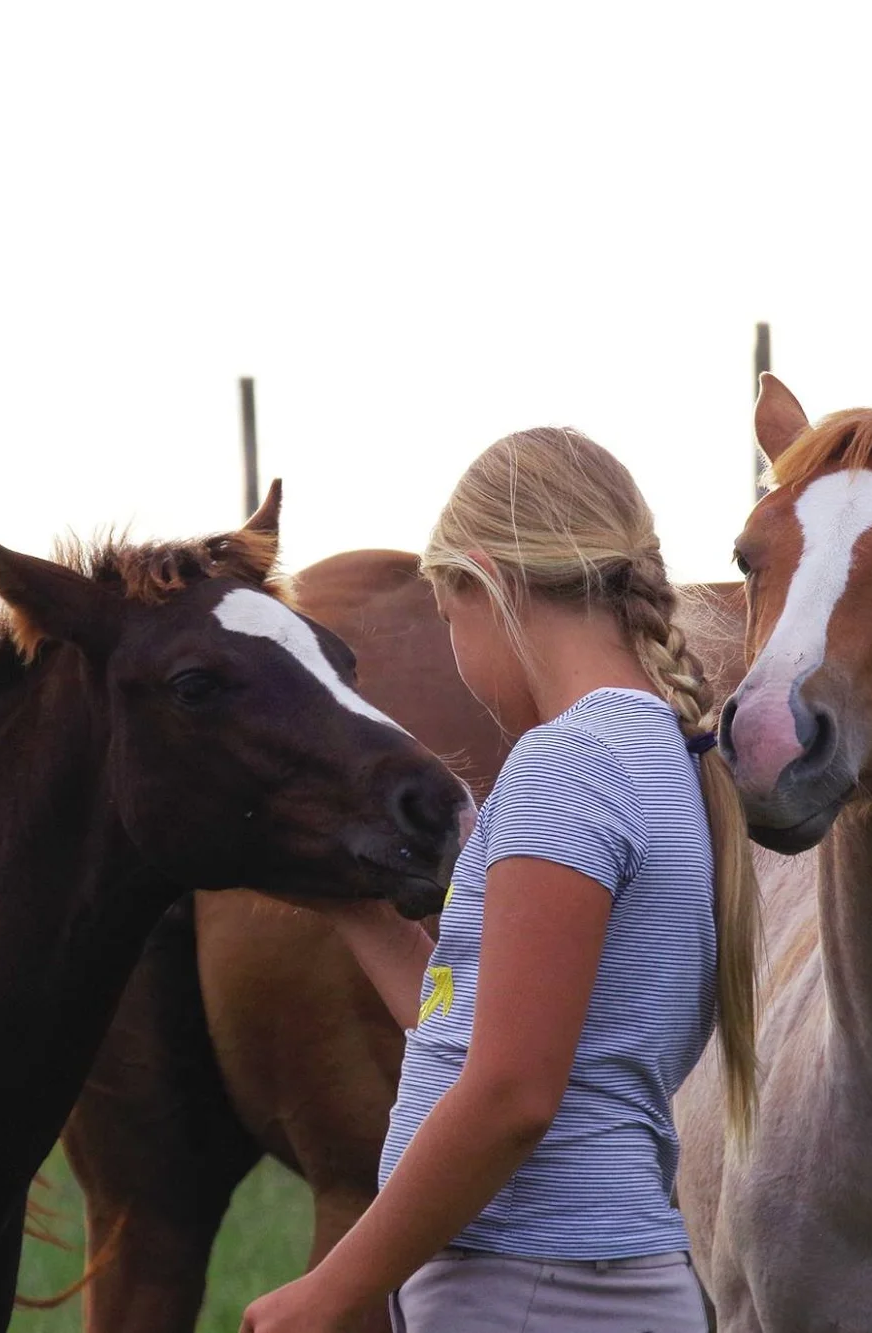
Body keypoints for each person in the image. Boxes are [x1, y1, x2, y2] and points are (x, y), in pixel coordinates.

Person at [240, 427, 759, 1332]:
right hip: (574, 1282)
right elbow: (488, 1033)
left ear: (482, 582)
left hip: (530, 1285)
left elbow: (512, 1092)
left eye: (449, 619)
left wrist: (330, 1289)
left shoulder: (567, 765)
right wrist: (358, 913)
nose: (459, 656)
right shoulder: (664, 758)